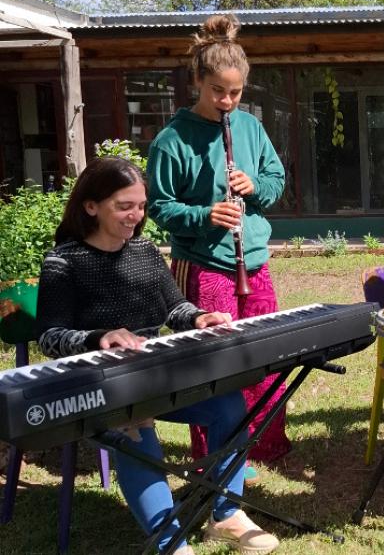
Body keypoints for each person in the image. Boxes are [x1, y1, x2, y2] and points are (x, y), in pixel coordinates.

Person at [35, 157, 279, 555]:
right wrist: (99, 337)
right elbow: (50, 337)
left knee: (229, 406)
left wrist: (200, 317)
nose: (136, 216)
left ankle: (226, 515)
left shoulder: (144, 251)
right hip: (96, 389)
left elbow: (173, 309)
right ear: (91, 206)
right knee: (135, 426)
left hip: (154, 376)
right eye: (124, 206)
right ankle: (171, 543)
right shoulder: (64, 262)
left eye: (141, 205)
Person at [147, 14, 290, 476]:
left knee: (266, 355)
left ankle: (265, 445)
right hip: (204, 263)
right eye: (218, 91)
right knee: (214, 364)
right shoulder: (173, 140)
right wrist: (204, 216)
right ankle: (216, 453)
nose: (228, 101)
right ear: (198, 82)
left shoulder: (249, 128)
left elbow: (276, 179)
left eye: (236, 92)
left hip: (255, 260)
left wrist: (255, 186)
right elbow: (160, 207)